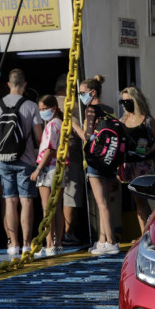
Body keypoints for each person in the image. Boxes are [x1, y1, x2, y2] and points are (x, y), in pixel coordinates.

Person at [0, 68, 43, 255]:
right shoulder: (31, 106)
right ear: (25, 85)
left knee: (10, 201)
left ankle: (13, 244)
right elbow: (38, 136)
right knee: (26, 201)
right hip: (26, 160)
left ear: (8, 84)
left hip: (3, 160)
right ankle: (27, 243)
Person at [73, 75, 119, 255]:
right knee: (105, 202)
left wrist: (75, 125)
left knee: (101, 204)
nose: (81, 96)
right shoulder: (109, 109)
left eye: (82, 93)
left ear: (92, 92)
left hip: (94, 160)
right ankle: (102, 240)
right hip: (109, 159)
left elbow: (87, 136)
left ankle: (112, 242)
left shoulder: (90, 110)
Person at [118, 86, 155, 234]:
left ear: (135, 100)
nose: (125, 104)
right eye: (123, 101)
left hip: (146, 164)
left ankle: (150, 232)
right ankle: (144, 233)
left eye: (128, 101)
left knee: (147, 198)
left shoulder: (147, 119)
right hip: (130, 164)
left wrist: (150, 150)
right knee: (138, 201)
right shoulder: (122, 120)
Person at [30, 95, 66, 256]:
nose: (41, 112)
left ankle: (49, 243)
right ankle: (58, 242)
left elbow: (49, 149)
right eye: (40, 109)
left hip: (48, 170)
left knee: (47, 209)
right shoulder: (60, 123)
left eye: (44, 109)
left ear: (53, 108)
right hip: (59, 169)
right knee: (57, 208)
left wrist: (38, 169)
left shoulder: (51, 125)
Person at [54, 74, 84, 246]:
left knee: (53, 197)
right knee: (70, 196)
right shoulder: (74, 106)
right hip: (71, 154)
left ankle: (55, 236)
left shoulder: (45, 104)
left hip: (50, 157)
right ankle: (67, 233)